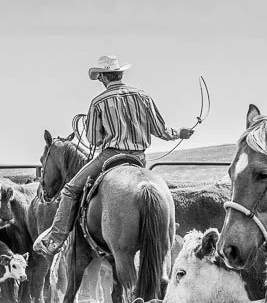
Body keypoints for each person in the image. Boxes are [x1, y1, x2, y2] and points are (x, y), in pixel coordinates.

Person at [33, 55, 192, 257]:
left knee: (71, 190)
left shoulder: (99, 102)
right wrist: (180, 133)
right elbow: (161, 130)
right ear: (120, 74)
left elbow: (94, 139)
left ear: (103, 77)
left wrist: (104, 135)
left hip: (110, 157)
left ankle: (54, 240)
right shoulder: (143, 96)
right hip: (139, 159)